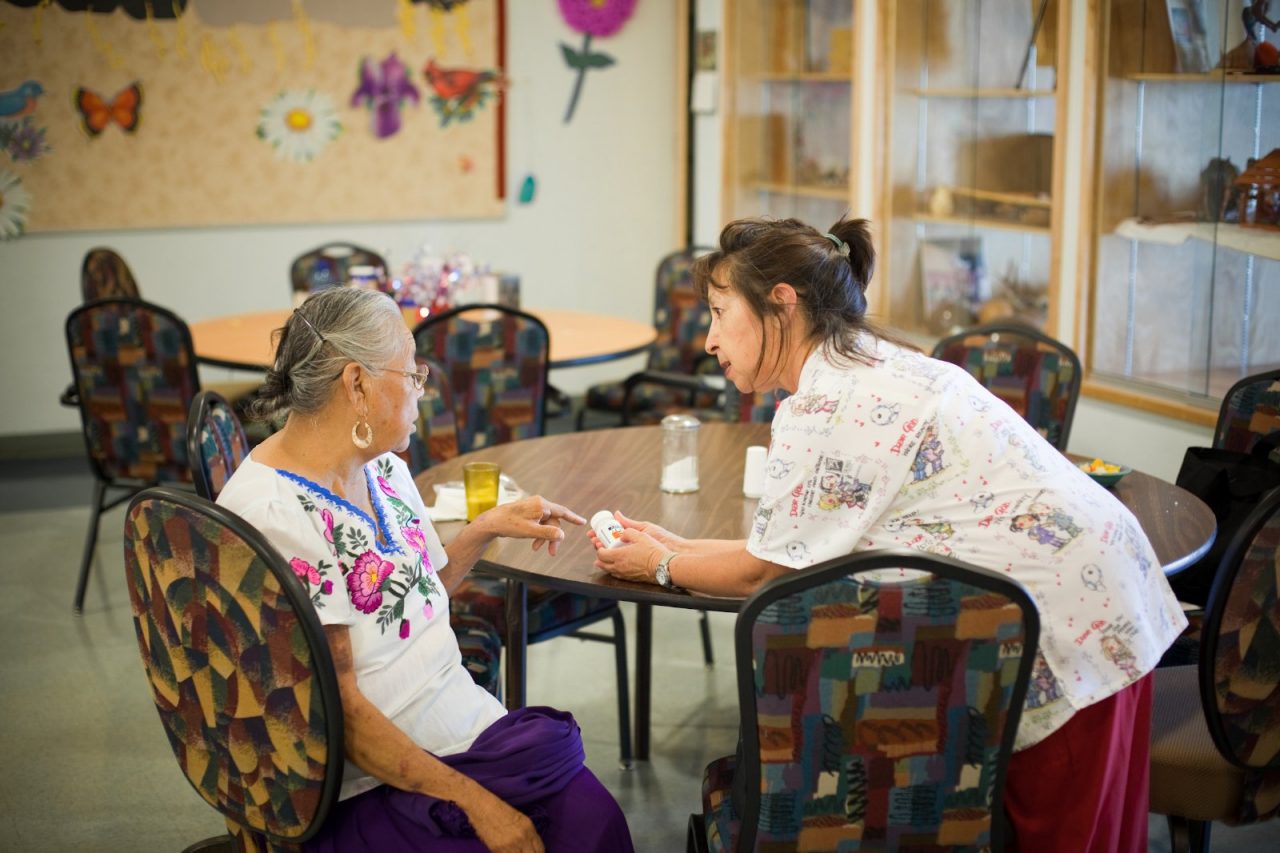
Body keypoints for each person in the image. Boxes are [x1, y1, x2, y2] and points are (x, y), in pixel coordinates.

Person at [591, 216, 1186, 853]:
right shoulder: (868, 365)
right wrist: (675, 547)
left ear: (782, 304)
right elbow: (786, 554)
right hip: (1099, 590)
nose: (708, 339)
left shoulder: (827, 406)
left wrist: (657, 566)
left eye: (717, 311)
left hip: (1065, 621)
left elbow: (765, 577)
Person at [218, 287, 633, 853]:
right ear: (356, 384)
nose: (422, 390)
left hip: (461, 726)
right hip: (371, 781)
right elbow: (342, 716)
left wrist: (483, 528)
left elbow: (413, 602)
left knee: (594, 819)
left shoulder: (382, 467)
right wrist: (474, 799)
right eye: (412, 374)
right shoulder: (277, 514)